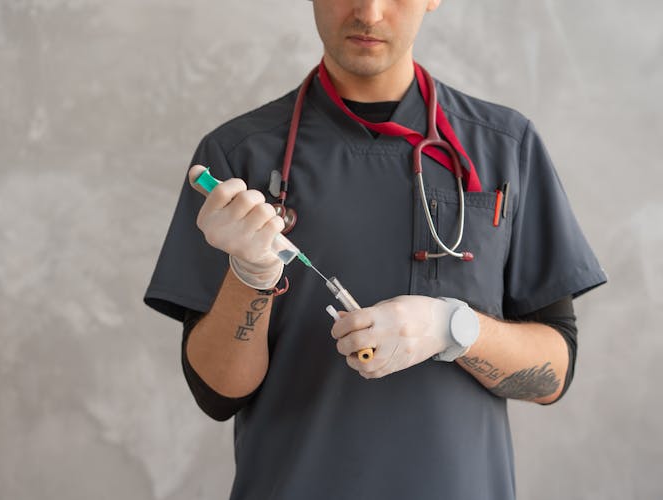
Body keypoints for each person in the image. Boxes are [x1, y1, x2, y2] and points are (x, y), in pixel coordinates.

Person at [144, 1, 607, 498]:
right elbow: (218, 393)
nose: (369, 11)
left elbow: (553, 375)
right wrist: (249, 276)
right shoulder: (240, 157)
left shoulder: (505, 148)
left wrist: (452, 328)